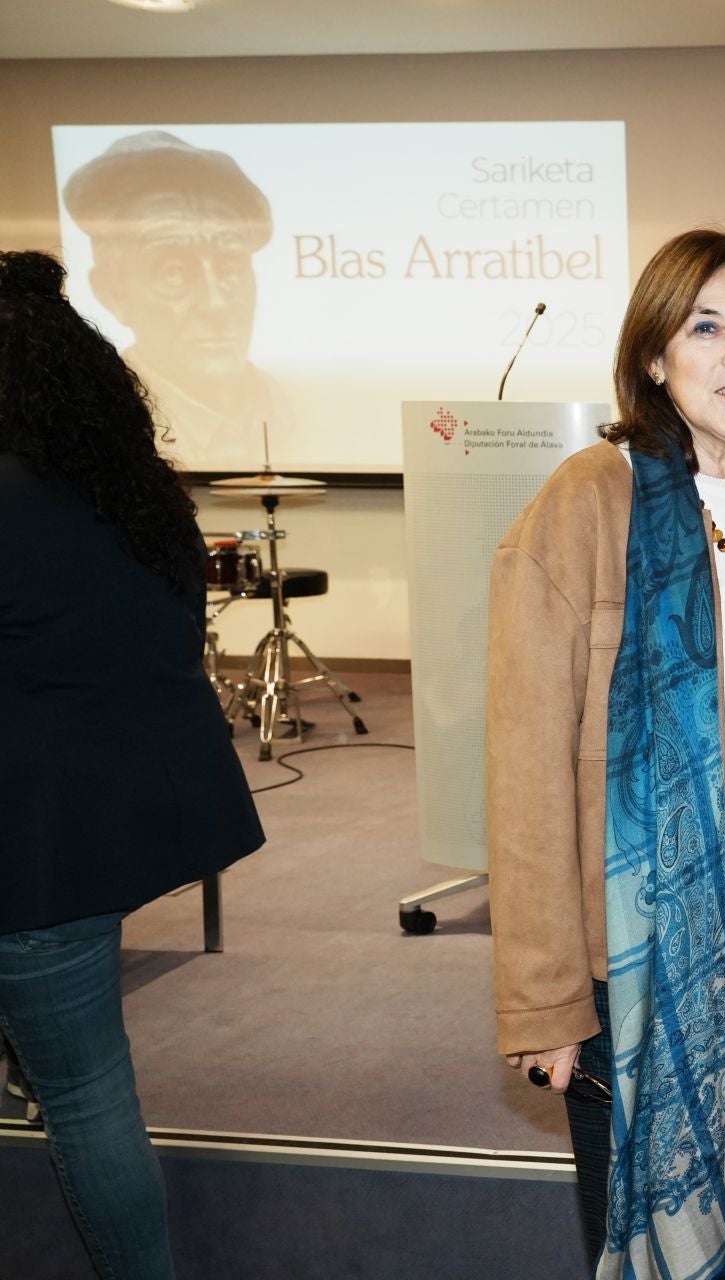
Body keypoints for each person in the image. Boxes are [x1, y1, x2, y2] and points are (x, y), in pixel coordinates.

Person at [486, 229, 725, 1280]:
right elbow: (524, 763)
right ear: (655, 356)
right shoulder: (590, 497)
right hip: (648, 926)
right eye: (705, 326)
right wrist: (546, 995)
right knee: (665, 1234)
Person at [0, 249, 265, 1278]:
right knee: (88, 1076)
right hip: (98, 835)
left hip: (29, 844)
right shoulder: (135, 493)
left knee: (87, 1097)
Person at [62, 129, 293, 466]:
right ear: (113, 293)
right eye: (174, 273)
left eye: (229, 268)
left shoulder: (291, 405)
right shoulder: (99, 420)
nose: (215, 305)